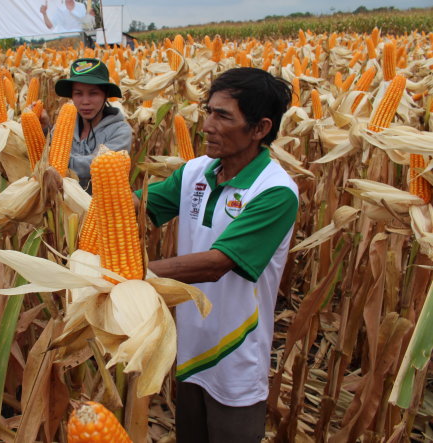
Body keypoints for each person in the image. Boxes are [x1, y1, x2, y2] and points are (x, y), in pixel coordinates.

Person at [134, 67, 298, 442]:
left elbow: (217, 264)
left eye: (223, 116)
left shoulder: (274, 192)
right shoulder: (195, 172)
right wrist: (72, 192)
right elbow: (137, 208)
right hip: (190, 347)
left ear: (259, 128)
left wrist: (133, 275)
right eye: (208, 111)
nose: (207, 125)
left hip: (236, 356)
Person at [45, 58, 132, 191]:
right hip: (61, 201)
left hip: (97, 202)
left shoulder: (120, 131)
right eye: (78, 93)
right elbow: (47, 149)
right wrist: (44, 128)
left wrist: (58, 162)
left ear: (105, 95)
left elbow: (97, 165)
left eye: (93, 93)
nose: (85, 101)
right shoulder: (62, 126)